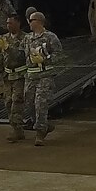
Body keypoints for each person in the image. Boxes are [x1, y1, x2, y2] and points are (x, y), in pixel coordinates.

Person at [22, 10, 62, 146]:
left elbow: (59, 54)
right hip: (31, 76)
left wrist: (46, 58)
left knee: (40, 104)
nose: (29, 22)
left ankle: (40, 133)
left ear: (39, 22)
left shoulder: (50, 37)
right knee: (29, 104)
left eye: (31, 20)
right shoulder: (27, 38)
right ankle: (44, 125)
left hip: (45, 75)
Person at [0, 19, 30, 143]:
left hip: (20, 75)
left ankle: (16, 128)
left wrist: (8, 48)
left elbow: (21, 55)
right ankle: (17, 128)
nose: (8, 25)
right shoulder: (3, 38)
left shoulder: (26, 38)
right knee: (8, 102)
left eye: (11, 23)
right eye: (7, 23)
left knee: (17, 101)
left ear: (18, 24)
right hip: (7, 76)